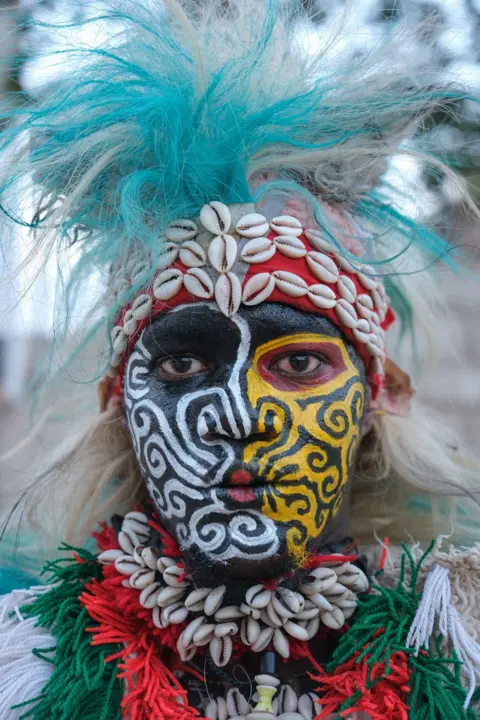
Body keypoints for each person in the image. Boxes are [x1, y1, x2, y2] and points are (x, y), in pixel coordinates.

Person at [0, 2, 479, 718]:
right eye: (181, 366)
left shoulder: (459, 653)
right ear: (117, 402)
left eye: (301, 365)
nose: (241, 417)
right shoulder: (22, 664)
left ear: (383, 396)